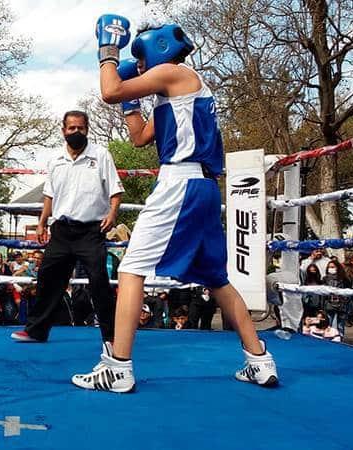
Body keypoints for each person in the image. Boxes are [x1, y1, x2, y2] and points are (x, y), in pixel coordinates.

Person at [72, 19, 278, 393]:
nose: (138, 65)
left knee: (132, 268)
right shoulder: (178, 91)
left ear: (158, 48)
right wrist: (131, 101)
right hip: (203, 188)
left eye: (140, 57)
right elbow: (139, 137)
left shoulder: (173, 72)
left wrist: (108, 50)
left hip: (180, 184)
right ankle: (259, 360)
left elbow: (109, 91)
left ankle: (118, 367)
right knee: (216, 278)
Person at [10, 110, 122, 344]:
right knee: (47, 279)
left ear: (87, 129)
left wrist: (112, 213)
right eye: (72, 128)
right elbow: (49, 195)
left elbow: (115, 189)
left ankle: (112, 336)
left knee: (99, 281)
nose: (76, 132)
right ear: (64, 130)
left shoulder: (101, 155)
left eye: (80, 128)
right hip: (61, 230)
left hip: (91, 230)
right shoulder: (56, 160)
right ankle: (36, 331)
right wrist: (42, 223)